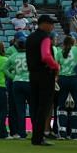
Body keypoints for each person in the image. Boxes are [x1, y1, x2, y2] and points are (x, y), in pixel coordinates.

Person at [26, 15, 61, 146]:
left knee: (34, 106)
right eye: (51, 23)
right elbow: (46, 55)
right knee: (44, 107)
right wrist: (56, 66)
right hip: (45, 75)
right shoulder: (45, 37)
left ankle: (35, 136)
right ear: (44, 24)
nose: (52, 26)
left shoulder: (30, 38)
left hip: (33, 75)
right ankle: (39, 137)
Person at [5, 33, 30, 139]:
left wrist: (13, 76)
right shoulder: (12, 51)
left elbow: (5, 67)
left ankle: (19, 131)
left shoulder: (13, 53)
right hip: (26, 81)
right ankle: (15, 130)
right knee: (16, 107)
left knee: (18, 108)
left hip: (16, 81)